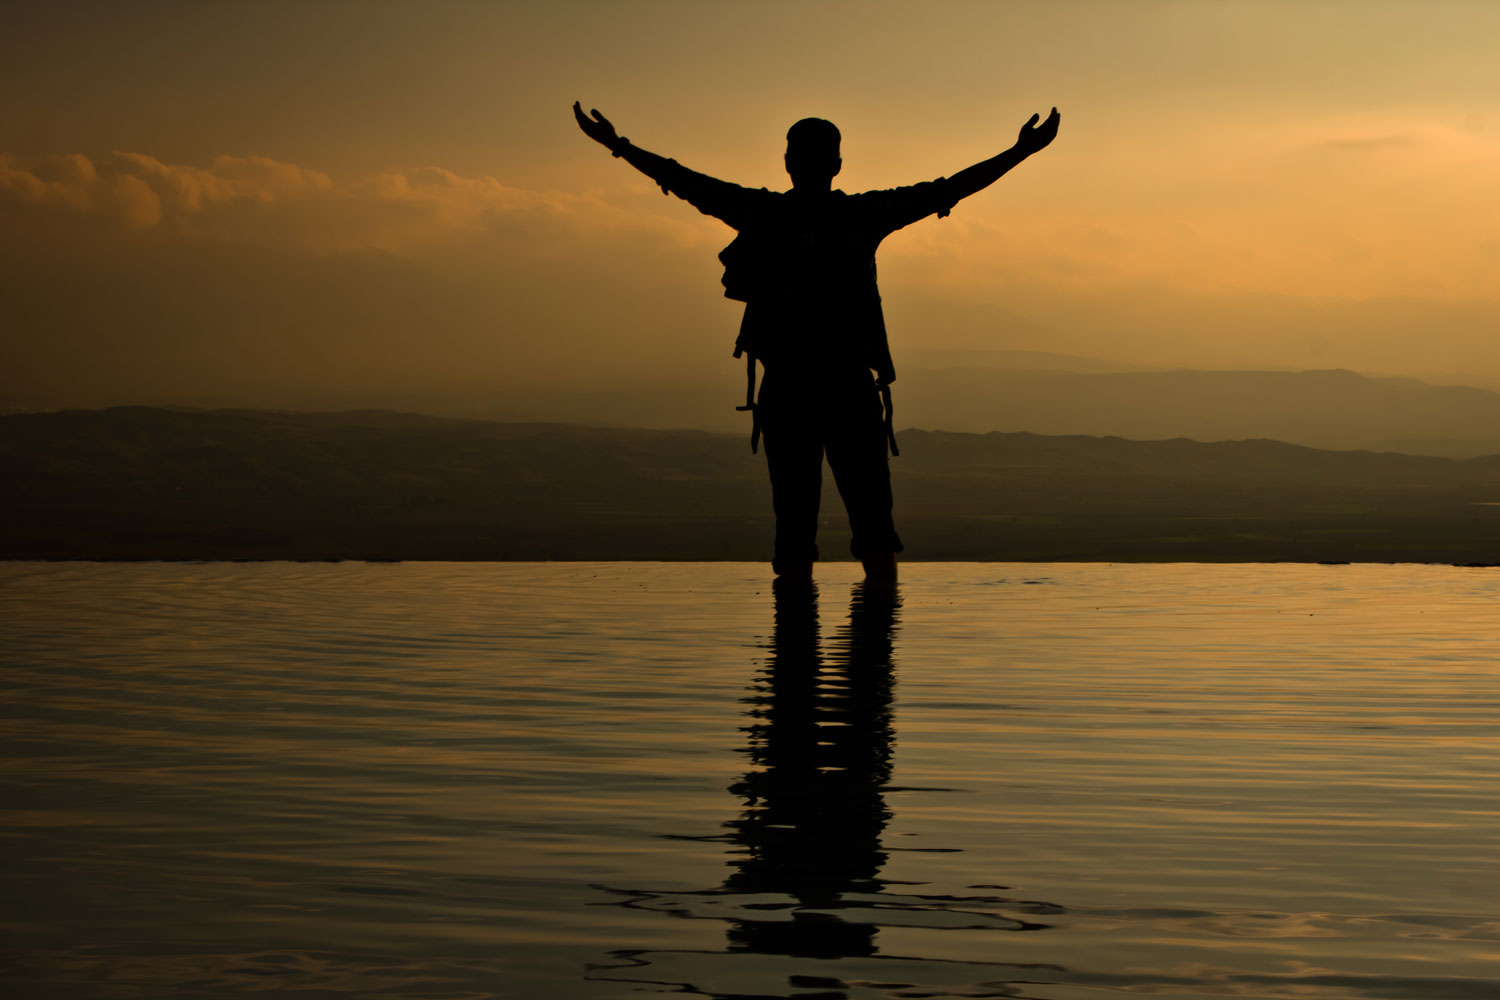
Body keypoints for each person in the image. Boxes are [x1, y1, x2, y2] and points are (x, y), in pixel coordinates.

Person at [573, 102, 1060, 583]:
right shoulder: (862, 216)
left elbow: (686, 181)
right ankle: (876, 639)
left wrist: (619, 146)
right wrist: (1020, 152)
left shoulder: (761, 213)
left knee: (794, 522)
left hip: (787, 390)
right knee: (872, 520)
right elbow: (948, 189)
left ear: (787, 163)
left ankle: (795, 648)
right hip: (849, 387)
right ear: (838, 165)